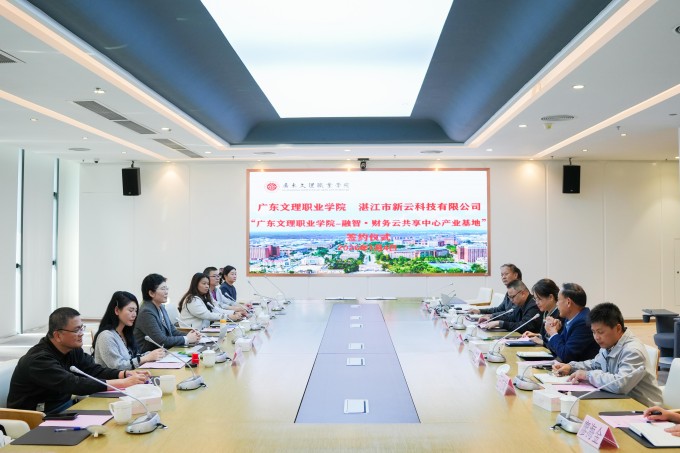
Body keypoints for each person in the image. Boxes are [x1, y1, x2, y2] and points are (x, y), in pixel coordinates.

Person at [7, 307, 148, 413]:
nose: (81, 334)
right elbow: (74, 383)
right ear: (58, 335)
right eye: (76, 330)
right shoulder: (39, 360)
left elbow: (94, 370)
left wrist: (124, 374)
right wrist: (122, 383)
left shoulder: (71, 349)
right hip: (38, 417)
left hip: (64, 409)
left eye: (82, 328)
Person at [552, 302, 663, 407]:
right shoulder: (610, 343)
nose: (596, 337)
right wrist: (571, 367)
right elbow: (595, 364)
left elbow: (620, 385)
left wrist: (588, 375)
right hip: (620, 401)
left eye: (600, 332)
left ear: (618, 328)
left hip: (645, 409)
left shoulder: (633, 351)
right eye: (593, 332)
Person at [93, 291, 166, 369]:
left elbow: (133, 358)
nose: (134, 315)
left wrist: (152, 354)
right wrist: (146, 358)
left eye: (136, 311)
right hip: (115, 377)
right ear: (117, 310)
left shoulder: (125, 332)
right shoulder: (106, 336)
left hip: (131, 375)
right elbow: (118, 366)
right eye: (131, 310)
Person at [134, 273, 201, 353]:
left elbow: (172, 331)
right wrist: (187, 339)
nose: (166, 292)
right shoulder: (146, 312)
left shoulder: (161, 306)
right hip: (150, 355)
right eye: (163, 289)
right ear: (151, 293)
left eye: (167, 288)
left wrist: (191, 335)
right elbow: (161, 341)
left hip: (164, 352)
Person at [543, 283, 600, 362]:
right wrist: (555, 331)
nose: (557, 304)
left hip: (581, 368)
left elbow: (566, 356)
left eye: (558, 300)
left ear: (568, 302)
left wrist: (553, 333)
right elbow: (558, 349)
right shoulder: (571, 318)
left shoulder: (583, 322)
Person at [521, 278, 562, 346]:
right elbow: (546, 335)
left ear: (550, 297)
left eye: (539, 299)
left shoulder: (560, 315)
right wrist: (537, 335)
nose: (537, 303)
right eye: (535, 299)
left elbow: (559, 342)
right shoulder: (546, 312)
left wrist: (543, 342)